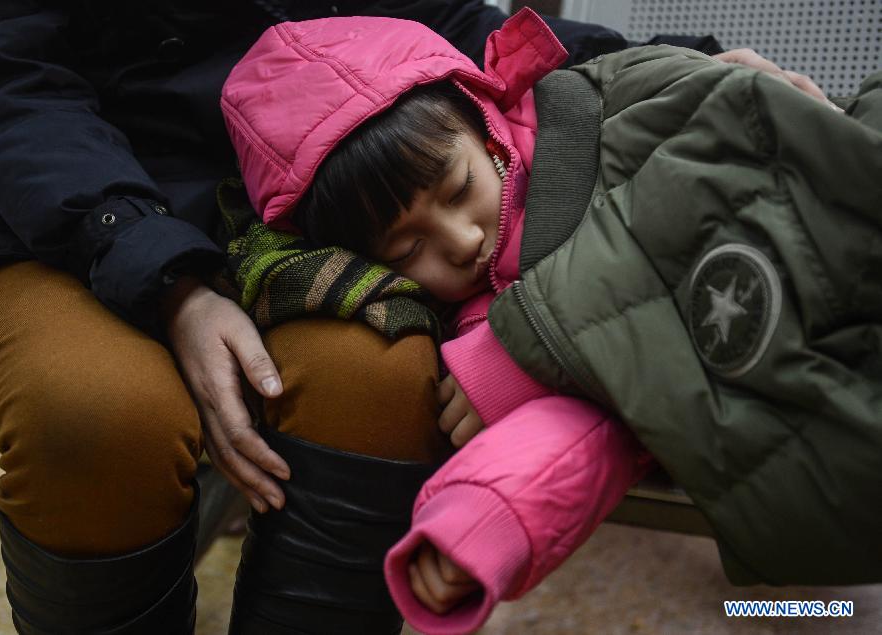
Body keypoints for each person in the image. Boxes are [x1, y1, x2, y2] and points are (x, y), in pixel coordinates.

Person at [0, 2, 731, 633]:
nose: (471, 241)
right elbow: (8, 78)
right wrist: (163, 276)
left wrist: (709, 71)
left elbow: (452, 25)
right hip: (65, 213)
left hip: (320, 217)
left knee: (379, 373)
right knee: (93, 411)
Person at [220, 8, 882, 634]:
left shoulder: (600, 106)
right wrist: (479, 521)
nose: (457, 241)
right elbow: (584, 426)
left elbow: (734, 162)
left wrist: (527, 343)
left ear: (485, 125)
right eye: (407, 249)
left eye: (458, 189)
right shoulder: (482, 319)